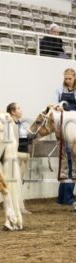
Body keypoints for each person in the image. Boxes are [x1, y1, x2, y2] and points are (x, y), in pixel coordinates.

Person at [55, 68, 76, 209]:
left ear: (74, 78)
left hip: (74, 125)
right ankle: (65, 198)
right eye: (65, 78)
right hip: (64, 127)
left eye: (69, 78)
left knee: (70, 161)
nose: (67, 80)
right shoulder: (59, 90)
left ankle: (64, 197)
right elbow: (55, 105)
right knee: (67, 162)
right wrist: (58, 108)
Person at [6, 102, 32, 214]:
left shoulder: (19, 124)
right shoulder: (10, 124)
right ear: (12, 112)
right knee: (15, 183)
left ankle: (18, 207)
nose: (21, 110)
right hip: (15, 156)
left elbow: (23, 139)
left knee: (17, 182)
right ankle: (19, 208)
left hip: (23, 156)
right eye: (18, 108)